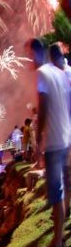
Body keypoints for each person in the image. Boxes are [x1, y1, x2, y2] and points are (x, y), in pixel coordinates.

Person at [28, 38, 70, 247]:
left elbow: (43, 110)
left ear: (35, 54)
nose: (28, 61)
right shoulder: (59, 72)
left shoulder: (42, 75)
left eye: (29, 56)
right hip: (66, 137)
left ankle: (57, 239)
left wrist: (39, 143)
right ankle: (61, 229)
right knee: (64, 184)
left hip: (54, 140)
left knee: (56, 190)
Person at [49, 43, 71, 219]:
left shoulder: (61, 75)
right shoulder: (67, 72)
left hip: (66, 131)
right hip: (66, 131)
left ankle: (65, 209)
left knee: (66, 174)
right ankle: (66, 208)